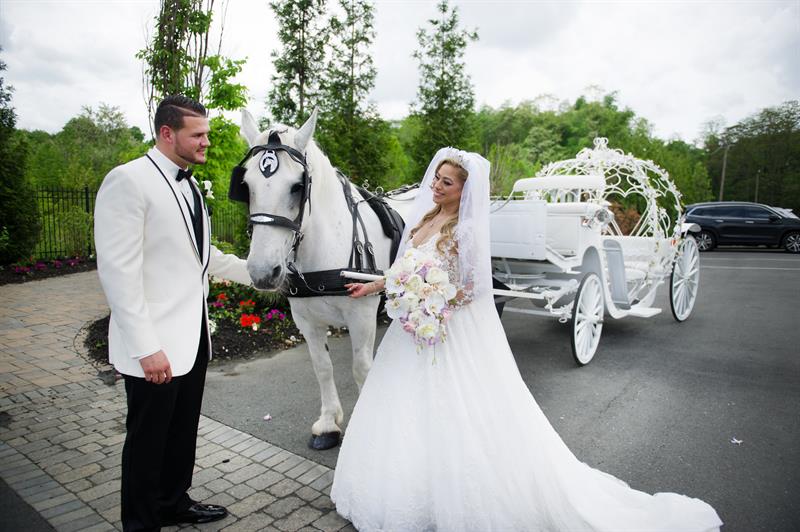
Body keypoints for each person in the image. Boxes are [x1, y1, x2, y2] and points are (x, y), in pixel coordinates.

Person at [331, 147, 723, 531]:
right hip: (414, 329)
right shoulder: (426, 219)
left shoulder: (465, 231)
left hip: (444, 327)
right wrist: (378, 287)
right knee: (403, 407)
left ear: (465, 191)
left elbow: (471, 288)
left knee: (455, 412)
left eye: (446, 182)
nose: (435, 185)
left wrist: (430, 302)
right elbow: (404, 271)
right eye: (436, 178)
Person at [94, 95, 252, 531]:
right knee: (147, 443)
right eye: (197, 134)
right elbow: (119, 274)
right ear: (167, 133)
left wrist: (260, 274)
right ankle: (142, 523)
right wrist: (146, 347)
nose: (206, 142)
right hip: (155, 345)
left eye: (206, 133)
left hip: (193, 338)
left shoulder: (191, 186)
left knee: (181, 433)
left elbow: (203, 256)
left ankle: (172, 503)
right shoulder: (128, 181)